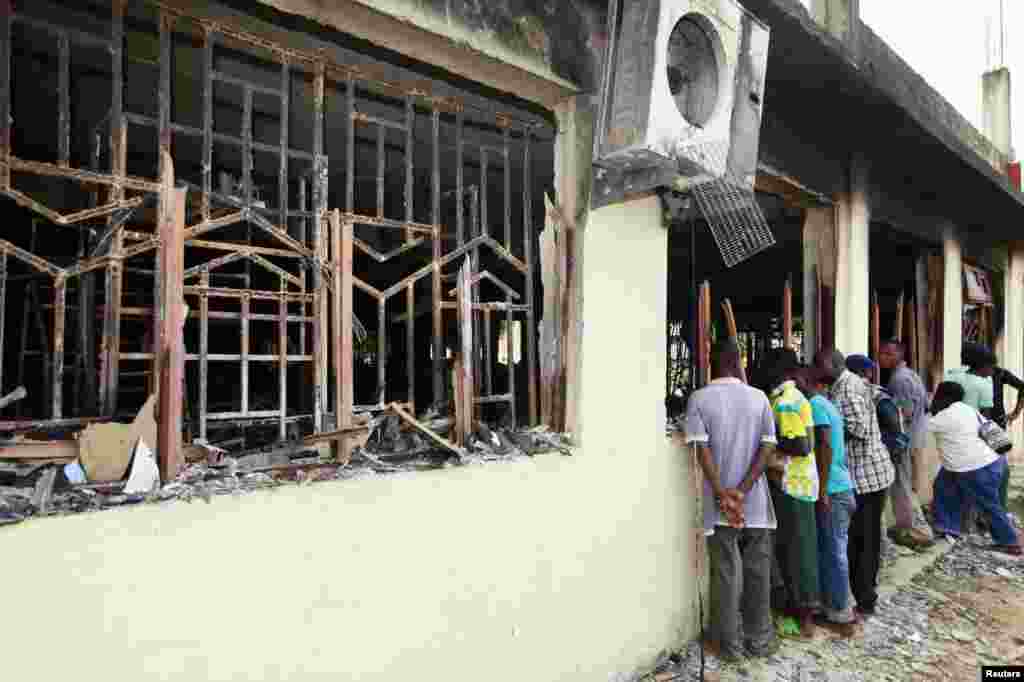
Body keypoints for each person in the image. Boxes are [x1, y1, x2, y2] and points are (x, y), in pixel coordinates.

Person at [684, 340, 780, 660]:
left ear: (711, 363)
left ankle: (729, 645)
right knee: (758, 570)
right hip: (754, 503)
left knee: (726, 569)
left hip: (720, 503)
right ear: (738, 362)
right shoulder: (759, 398)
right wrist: (743, 489)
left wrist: (723, 492)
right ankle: (760, 640)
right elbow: (768, 446)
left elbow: (701, 449)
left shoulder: (700, 398)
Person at [815, 348, 895, 618]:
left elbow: (858, 428)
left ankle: (865, 599)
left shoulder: (846, 388)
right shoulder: (845, 385)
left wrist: (827, 434)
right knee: (862, 541)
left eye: (819, 366)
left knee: (863, 542)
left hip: (865, 474)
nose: (816, 372)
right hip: (868, 471)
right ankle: (864, 595)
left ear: (830, 364)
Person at [754, 349, 820, 637]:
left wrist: (767, 444)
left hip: (792, 484)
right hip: (799, 483)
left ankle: (803, 614)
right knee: (798, 548)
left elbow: (802, 445)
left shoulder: (785, 403)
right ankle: (802, 609)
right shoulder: (793, 398)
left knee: (796, 551)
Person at [928, 381, 1022, 555]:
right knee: (942, 486)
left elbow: (924, 424)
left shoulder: (945, 416)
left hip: (976, 467)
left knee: (988, 505)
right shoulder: (965, 408)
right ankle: (947, 527)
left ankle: (1011, 542)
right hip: (990, 461)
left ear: (943, 396)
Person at [796, 367, 857, 632]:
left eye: (797, 380)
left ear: (811, 381)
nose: (794, 385)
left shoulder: (816, 405)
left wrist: (820, 491)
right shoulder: (827, 404)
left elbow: (824, 445)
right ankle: (838, 603)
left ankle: (842, 615)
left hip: (832, 489)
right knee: (832, 550)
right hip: (839, 486)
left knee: (833, 552)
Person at [869, 345, 936, 548]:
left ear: (898, 355)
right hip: (913, 436)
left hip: (903, 440)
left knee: (901, 485)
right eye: (881, 353)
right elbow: (925, 405)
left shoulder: (900, 380)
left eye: (886, 354)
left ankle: (914, 531)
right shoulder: (911, 374)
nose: (881, 358)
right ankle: (909, 527)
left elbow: (902, 414)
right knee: (903, 483)